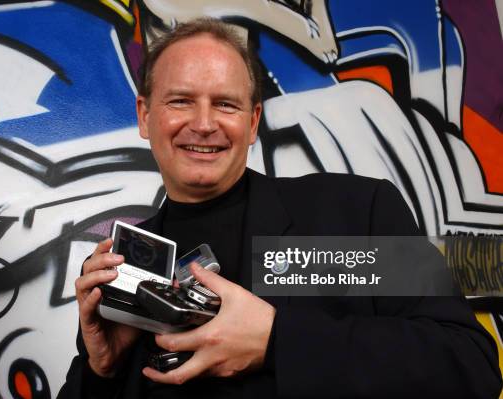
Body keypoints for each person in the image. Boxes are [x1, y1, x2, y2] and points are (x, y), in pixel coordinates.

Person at [58, 18, 501, 398]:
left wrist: (277, 340)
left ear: (252, 123)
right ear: (144, 115)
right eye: (181, 101)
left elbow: (468, 366)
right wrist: (102, 372)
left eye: (225, 104)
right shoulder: (126, 268)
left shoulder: (350, 214)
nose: (205, 123)